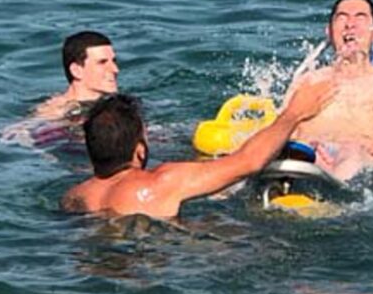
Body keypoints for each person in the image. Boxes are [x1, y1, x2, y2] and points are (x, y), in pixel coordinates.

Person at [61, 79, 337, 219]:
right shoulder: (162, 181)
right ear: (139, 150)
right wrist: (294, 113)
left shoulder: (73, 197)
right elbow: (250, 161)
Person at [284, 0, 373, 180]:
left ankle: (334, 191)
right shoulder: (308, 82)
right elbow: (281, 130)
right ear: (329, 31)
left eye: (360, 17)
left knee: (351, 151)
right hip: (309, 157)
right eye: (342, 17)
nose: (350, 24)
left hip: (364, 166)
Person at [35, 30, 119, 120]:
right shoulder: (54, 112)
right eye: (102, 62)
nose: (115, 69)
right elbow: (24, 130)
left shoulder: (117, 104)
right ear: (76, 71)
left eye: (114, 61)